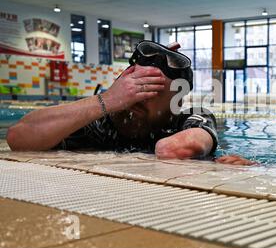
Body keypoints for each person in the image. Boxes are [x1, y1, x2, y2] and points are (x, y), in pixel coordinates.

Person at [6, 41, 220, 161]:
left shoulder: (186, 119)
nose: (136, 97)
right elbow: (18, 137)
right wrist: (106, 100)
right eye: (132, 87)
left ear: (175, 105)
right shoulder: (96, 122)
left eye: (150, 91)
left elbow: (174, 149)